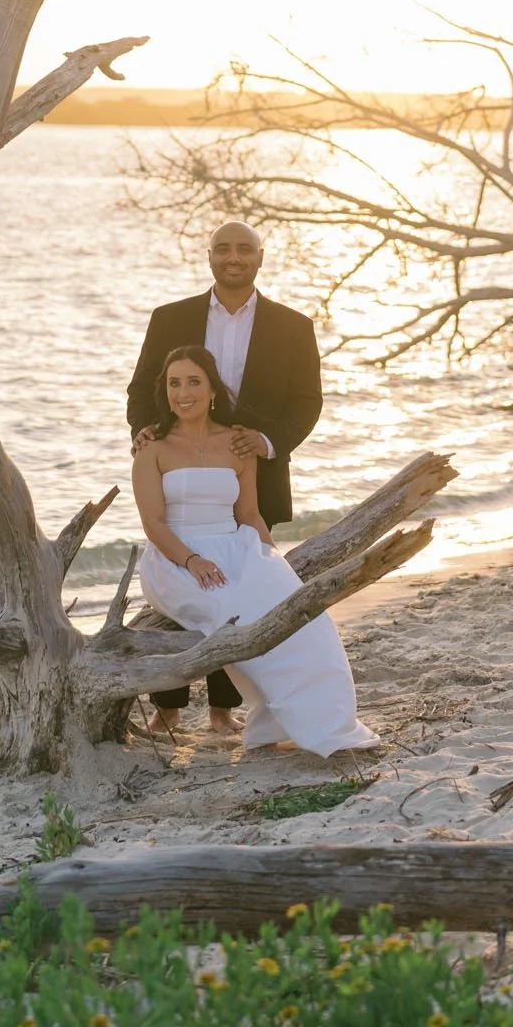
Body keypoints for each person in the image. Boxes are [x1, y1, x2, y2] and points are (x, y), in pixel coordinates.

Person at [133, 345, 376, 756]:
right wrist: (192, 561)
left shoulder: (237, 443)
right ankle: (284, 714)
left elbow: (249, 513)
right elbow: (153, 525)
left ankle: (321, 723)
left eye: (194, 381)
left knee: (302, 618)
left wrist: (274, 562)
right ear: (165, 391)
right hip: (176, 560)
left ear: (212, 389)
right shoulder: (152, 448)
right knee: (234, 611)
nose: (183, 392)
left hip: (237, 546)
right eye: (174, 383)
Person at [127, 222, 322, 731]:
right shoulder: (169, 318)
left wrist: (267, 442)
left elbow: (307, 402)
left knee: (240, 599)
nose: (233, 258)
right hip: (178, 471)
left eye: (244, 250)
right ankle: (167, 709)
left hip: (247, 477)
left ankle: (222, 712)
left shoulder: (294, 326)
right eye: (223, 250)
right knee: (181, 603)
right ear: (209, 256)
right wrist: (145, 432)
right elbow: (142, 387)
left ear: (260, 256)